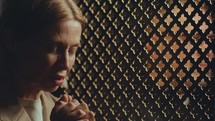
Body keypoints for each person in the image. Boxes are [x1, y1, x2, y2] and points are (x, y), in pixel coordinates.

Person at [0, 0, 95, 121]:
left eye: (71, 51)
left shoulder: (62, 111)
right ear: (12, 41)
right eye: (53, 49)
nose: (65, 64)